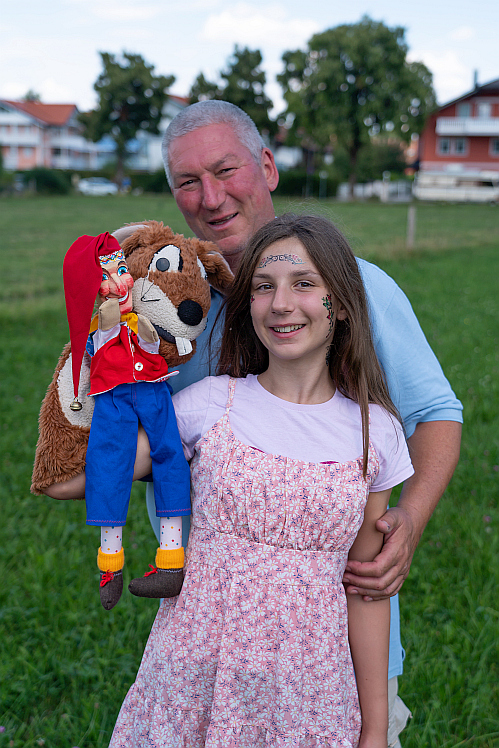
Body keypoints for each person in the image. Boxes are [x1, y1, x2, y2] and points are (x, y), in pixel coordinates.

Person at [109, 213, 415, 747]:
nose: (281, 304)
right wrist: (102, 331)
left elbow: (366, 592)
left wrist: (373, 729)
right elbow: (78, 478)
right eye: (264, 286)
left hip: (309, 701)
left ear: (341, 304)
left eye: (304, 284)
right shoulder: (208, 406)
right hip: (192, 685)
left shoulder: (376, 432)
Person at [62, 233, 191, 610]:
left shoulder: (140, 317)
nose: (120, 281)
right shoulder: (98, 326)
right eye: (106, 276)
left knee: (171, 456)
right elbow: (99, 350)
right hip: (113, 399)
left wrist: (146, 336)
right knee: (107, 465)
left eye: (121, 269)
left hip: (153, 391)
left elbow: (153, 350)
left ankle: (171, 561)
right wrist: (110, 323)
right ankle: (110, 566)